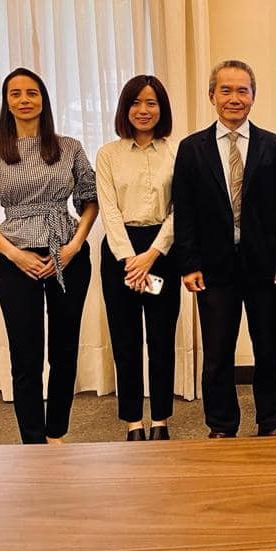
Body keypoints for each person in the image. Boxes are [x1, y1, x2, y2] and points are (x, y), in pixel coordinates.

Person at [0, 68, 98, 444]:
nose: (24, 100)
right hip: (15, 257)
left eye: (31, 93)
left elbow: (90, 199)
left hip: (67, 254)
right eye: (15, 94)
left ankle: (56, 433)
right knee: (26, 353)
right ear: (6, 102)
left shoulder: (69, 147)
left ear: (43, 99)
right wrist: (15, 255)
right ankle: (32, 440)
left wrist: (74, 246)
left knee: (64, 350)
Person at [172, 60, 276, 438]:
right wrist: (189, 263)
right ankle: (222, 425)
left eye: (243, 90)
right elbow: (184, 211)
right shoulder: (191, 148)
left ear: (253, 96)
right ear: (212, 95)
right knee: (217, 352)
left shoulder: (273, 146)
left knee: (268, 348)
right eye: (225, 90)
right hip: (213, 267)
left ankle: (272, 421)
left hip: (264, 265)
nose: (234, 98)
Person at [96, 75, 180, 441]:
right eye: (135, 102)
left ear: (162, 109)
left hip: (163, 250)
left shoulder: (177, 152)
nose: (143, 110)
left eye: (151, 103)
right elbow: (109, 210)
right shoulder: (108, 154)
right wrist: (131, 259)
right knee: (125, 339)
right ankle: (133, 421)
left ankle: (160, 419)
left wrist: (152, 255)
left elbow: (180, 209)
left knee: (161, 339)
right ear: (124, 108)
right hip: (120, 252)